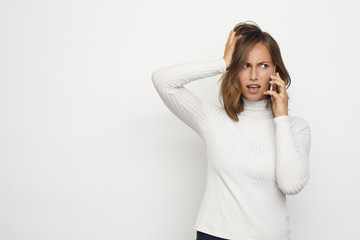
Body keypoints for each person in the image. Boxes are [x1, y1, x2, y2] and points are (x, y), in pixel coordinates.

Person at [151, 21, 311, 240]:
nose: (254, 75)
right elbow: (163, 80)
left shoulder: (295, 128)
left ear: (276, 70)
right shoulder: (212, 119)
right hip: (215, 234)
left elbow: (291, 184)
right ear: (234, 71)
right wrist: (223, 62)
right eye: (245, 65)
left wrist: (281, 117)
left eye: (263, 65)